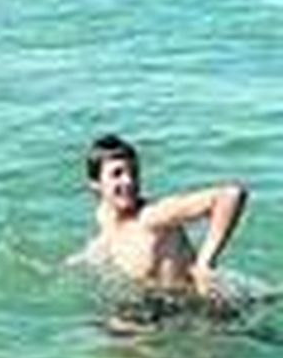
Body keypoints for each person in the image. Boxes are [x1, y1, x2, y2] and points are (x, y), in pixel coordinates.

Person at [77, 134, 248, 331]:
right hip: (152, 305)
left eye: (134, 172)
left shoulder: (152, 216)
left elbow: (230, 195)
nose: (129, 181)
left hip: (196, 310)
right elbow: (113, 241)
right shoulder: (105, 215)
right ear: (96, 185)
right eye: (117, 174)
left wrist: (205, 263)